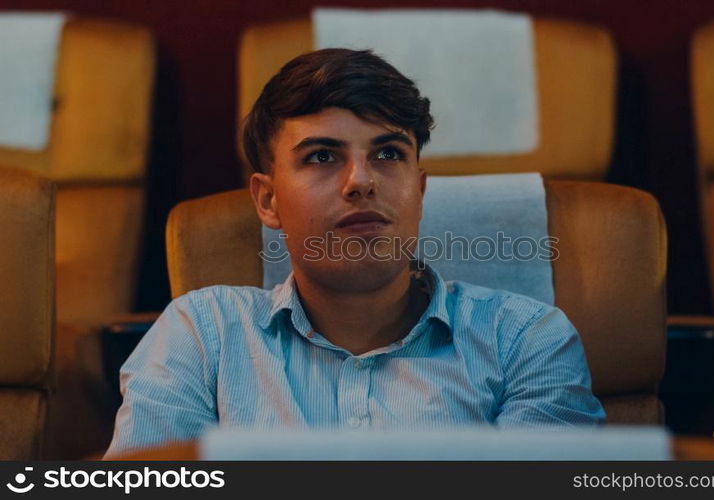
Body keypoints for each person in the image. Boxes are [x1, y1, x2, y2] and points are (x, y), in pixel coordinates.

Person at [104, 48, 605, 457]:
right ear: (268, 199)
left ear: (420, 190)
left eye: (388, 154)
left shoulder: (526, 340)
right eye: (322, 157)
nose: (361, 181)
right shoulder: (201, 335)